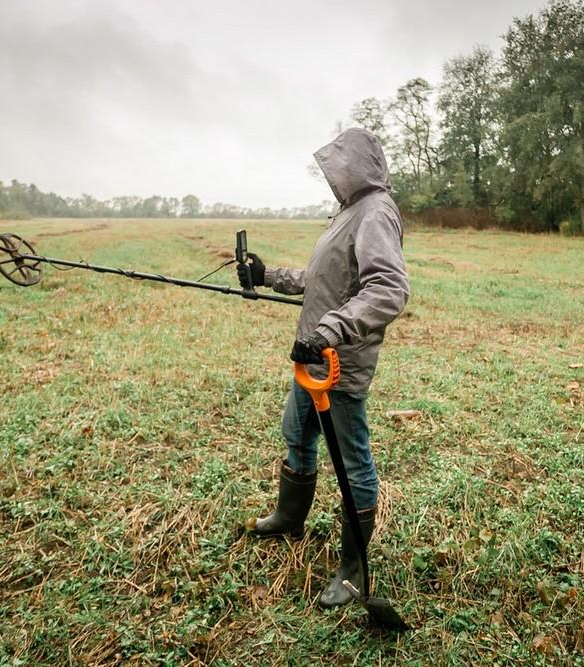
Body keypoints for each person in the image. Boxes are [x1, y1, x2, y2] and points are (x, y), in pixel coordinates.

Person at [240, 127, 410, 608]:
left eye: (338, 165)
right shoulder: (348, 213)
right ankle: (289, 518)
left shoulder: (376, 212)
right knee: (296, 434)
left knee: (352, 462)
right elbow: (323, 279)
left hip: (338, 363)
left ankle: (353, 572)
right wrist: (266, 276)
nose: (331, 175)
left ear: (357, 165)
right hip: (310, 357)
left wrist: (331, 331)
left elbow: (388, 288)